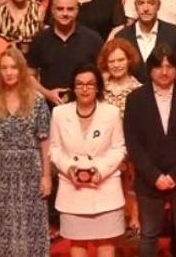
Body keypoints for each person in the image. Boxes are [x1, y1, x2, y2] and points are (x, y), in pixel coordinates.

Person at [123, 46, 176, 257]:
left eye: (169, 66)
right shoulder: (135, 99)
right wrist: (155, 176)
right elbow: (133, 144)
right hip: (149, 179)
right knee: (149, 234)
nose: (164, 71)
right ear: (150, 69)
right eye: (159, 66)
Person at [0, 47, 52, 257]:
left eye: (13, 67)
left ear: (21, 70)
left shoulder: (37, 101)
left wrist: (47, 176)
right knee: (4, 227)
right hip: (1, 171)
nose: (9, 72)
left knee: (33, 225)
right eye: (4, 68)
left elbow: (45, 140)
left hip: (32, 168)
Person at [50, 65, 127, 257]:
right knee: (77, 245)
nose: (85, 88)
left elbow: (119, 149)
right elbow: (54, 149)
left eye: (90, 84)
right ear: (73, 88)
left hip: (105, 188)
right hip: (72, 190)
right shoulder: (59, 113)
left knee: (107, 246)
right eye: (80, 84)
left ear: (98, 88)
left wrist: (98, 171)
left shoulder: (111, 112)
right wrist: (69, 169)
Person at [98, 39, 145, 237]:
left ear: (129, 61)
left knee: (132, 187)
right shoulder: (98, 88)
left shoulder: (140, 89)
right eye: (112, 61)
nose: (116, 65)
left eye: (120, 60)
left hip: (131, 148)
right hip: (104, 149)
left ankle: (134, 224)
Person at [28, 0, 106, 105]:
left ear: (77, 10)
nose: (65, 13)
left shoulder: (93, 39)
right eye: (60, 9)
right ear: (52, 11)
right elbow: (29, 75)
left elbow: (104, 73)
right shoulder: (40, 39)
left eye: (70, 9)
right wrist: (46, 93)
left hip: (87, 106)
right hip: (48, 107)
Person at [113, 0, 176, 83]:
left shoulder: (174, 33)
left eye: (151, 3)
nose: (146, 8)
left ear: (159, 5)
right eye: (141, 3)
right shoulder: (121, 37)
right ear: (135, 6)